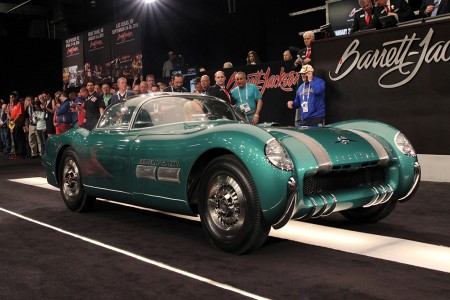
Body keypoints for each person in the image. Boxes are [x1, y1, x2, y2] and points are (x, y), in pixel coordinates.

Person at [9, 91, 26, 160]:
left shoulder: (20, 104)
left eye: (13, 97)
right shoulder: (13, 105)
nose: (11, 99)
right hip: (14, 123)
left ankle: (21, 154)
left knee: (19, 139)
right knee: (15, 139)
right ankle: (16, 153)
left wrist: (13, 121)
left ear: (16, 97)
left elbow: (19, 114)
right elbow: (12, 115)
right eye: (10, 98)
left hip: (18, 123)